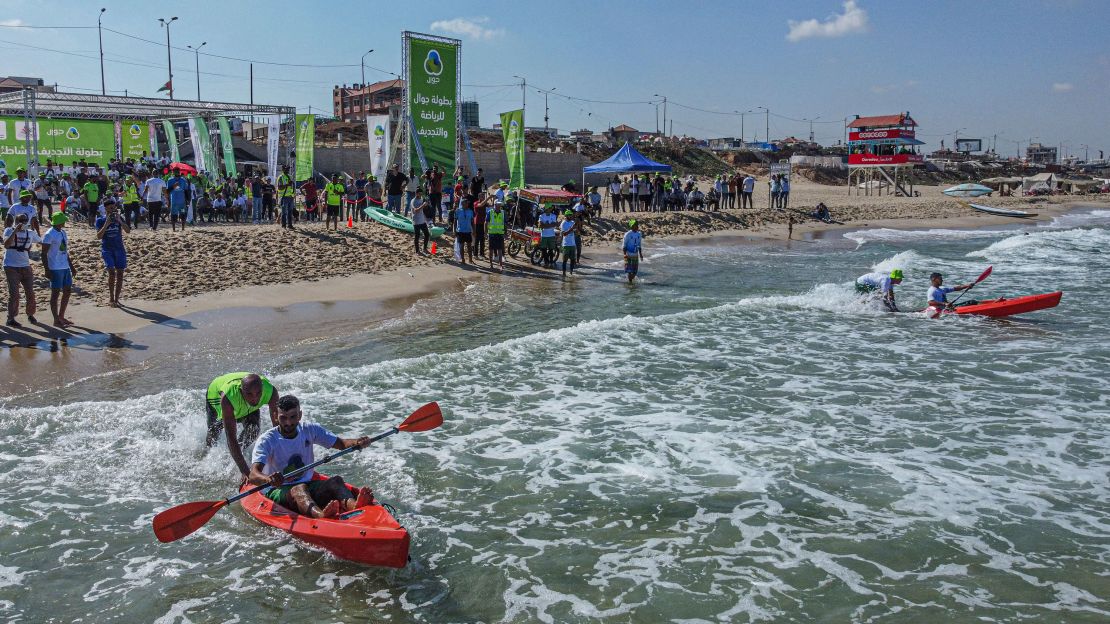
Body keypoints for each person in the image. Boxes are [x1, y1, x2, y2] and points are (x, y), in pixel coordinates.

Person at [247, 395, 373, 518]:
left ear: (300, 415)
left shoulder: (310, 429)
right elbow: (253, 475)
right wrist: (268, 479)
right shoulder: (267, 440)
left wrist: (358, 442)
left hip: (307, 484)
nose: (288, 422)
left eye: (293, 417)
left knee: (336, 481)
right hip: (278, 489)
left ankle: (354, 506)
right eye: (283, 418)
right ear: (275, 417)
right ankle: (321, 515)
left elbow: (341, 444)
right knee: (299, 489)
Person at [204, 372, 280, 477]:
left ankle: (237, 454)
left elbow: (278, 428)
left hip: (244, 403)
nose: (255, 398)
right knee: (215, 431)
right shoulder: (228, 398)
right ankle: (207, 453)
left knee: (254, 430)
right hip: (215, 397)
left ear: (262, 389)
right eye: (249, 394)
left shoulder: (270, 391)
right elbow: (231, 436)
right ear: (241, 391)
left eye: (258, 393)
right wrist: (245, 472)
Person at [3, 212, 40, 327]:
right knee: (14, 294)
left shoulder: (30, 233)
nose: (22, 223)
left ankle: (30, 314)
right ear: (15, 221)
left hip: (25, 266)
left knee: (30, 292)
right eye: (20, 220)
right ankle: (11, 318)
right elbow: (6, 244)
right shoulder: (9, 230)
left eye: (24, 220)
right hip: (11, 266)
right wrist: (15, 231)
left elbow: (42, 241)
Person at [40, 212, 76, 327]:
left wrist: (72, 266)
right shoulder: (49, 234)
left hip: (65, 266)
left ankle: (61, 316)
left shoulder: (63, 232)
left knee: (67, 290)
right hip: (55, 267)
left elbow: (65, 251)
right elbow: (43, 253)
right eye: (63, 220)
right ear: (59, 221)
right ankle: (56, 319)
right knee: (55, 294)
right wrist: (47, 270)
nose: (65, 222)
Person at [95, 198, 130, 307]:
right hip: (107, 249)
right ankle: (111, 298)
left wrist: (120, 221)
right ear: (105, 209)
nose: (113, 209)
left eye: (114, 207)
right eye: (110, 207)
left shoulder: (119, 218)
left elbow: (128, 231)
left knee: (120, 273)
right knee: (111, 273)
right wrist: (106, 223)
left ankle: (116, 299)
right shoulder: (100, 220)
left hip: (119, 248)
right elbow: (99, 236)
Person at [487, 198, 507, 271]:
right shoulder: (490, 212)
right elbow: (486, 222)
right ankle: (491, 264)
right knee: (491, 250)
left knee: (500, 249)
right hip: (492, 233)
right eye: (497, 204)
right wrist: (486, 232)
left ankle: (500, 265)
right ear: (494, 205)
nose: (499, 206)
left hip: (500, 234)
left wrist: (505, 233)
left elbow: (505, 224)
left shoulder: (503, 213)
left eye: (499, 205)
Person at [622, 219, 644, 283]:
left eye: (637, 225)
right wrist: (625, 254)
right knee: (629, 271)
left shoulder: (639, 234)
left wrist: (640, 254)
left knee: (635, 271)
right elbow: (624, 245)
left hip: (635, 254)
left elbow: (639, 244)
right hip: (628, 254)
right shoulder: (628, 234)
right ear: (631, 226)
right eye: (635, 225)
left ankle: (630, 282)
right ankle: (630, 283)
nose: (637, 226)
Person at [453, 197, 475, 264]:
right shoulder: (458, 211)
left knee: (469, 246)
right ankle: (463, 259)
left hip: (468, 231)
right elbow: (455, 221)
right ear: (462, 204)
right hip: (460, 231)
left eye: (467, 203)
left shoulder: (470, 211)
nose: (466, 204)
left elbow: (472, 222)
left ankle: (470, 259)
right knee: (461, 246)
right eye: (465, 203)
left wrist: (474, 230)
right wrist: (454, 230)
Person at [411, 189, 430, 254]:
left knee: (427, 235)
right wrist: (422, 205)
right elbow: (415, 210)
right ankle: (417, 251)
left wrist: (426, 205)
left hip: (422, 221)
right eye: (419, 193)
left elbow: (422, 209)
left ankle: (424, 249)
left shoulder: (421, 199)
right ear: (416, 193)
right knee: (417, 236)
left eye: (421, 194)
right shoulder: (413, 201)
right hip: (416, 221)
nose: (420, 195)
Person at [559, 209, 577, 278]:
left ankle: (571, 272)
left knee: (572, 259)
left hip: (573, 244)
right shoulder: (563, 223)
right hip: (566, 244)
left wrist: (576, 230)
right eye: (570, 215)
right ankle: (564, 273)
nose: (571, 216)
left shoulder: (572, 222)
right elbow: (564, 234)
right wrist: (572, 229)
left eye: (571, 215)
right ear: (566, 216)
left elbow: (574, 230)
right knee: (565, 260)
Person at [278, 165, 296, 229]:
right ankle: (283, 225)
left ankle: (290, 225)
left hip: (290, 196)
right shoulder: (281, 177)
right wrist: (287, 185)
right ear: (283, 169)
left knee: (290, 212)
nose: (288, 170)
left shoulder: (290, 176)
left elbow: (292, 186)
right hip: (284, 196)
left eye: (288, 169)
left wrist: (293, 194)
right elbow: (279, 187)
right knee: (284, 212)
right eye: (286, 169)